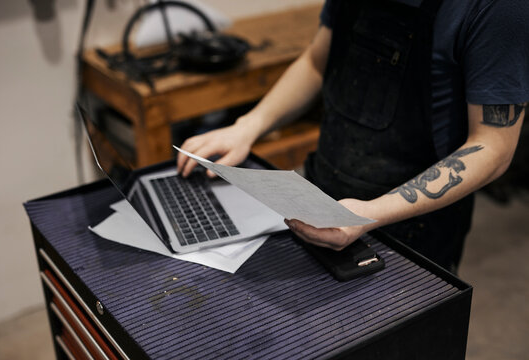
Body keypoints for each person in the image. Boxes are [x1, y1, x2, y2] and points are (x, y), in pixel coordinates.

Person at [177, 0, 529, 272]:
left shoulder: (498, 9)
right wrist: (248, 126)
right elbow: (317, 61)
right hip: (322, 196)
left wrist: (369, 213)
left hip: (412, 231)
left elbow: (493, 146)